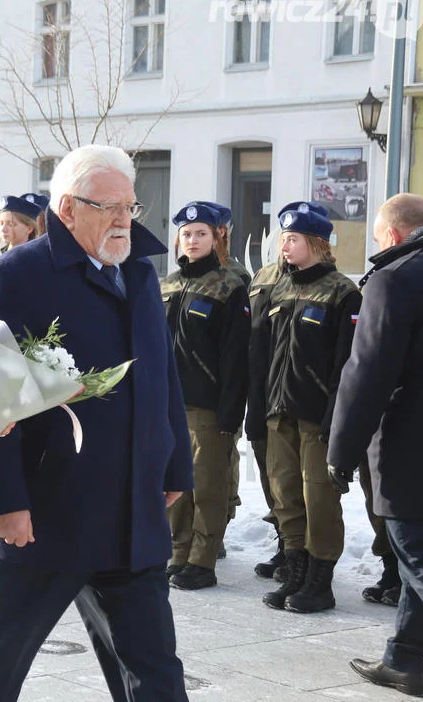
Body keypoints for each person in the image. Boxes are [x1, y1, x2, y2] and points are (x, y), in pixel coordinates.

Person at [0, 145, 192, 702]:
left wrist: (175, 462)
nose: (121, 219)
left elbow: (163, 376)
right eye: (106, 206)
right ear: (66, 209)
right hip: (46, 511)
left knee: (153, 669)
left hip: (132, 511)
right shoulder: (16, 276)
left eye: (129, 206)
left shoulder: (137, 271)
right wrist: (2, 501)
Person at [327, 193, 423, 696]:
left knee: (417, 556)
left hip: (412, 449)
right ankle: (406, 661)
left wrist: (341, 450)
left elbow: (367, 373)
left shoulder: (397, 277)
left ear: (390, 234)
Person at [249, 202, 359, 614]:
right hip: (279, 410)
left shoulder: (342, 292)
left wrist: (336, 418)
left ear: (316, 243)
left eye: (293, 239)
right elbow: (263, 353)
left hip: (316, 414)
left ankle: (320, 581)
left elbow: (346, 364)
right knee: (286, 494)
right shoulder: (279, 289)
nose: (285, 246)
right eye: (283, 239)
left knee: (319, 499)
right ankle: (295, 570)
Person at [160, 202, 249, 590]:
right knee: (174, 481)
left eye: (200, 233)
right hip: (168, 403)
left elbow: (236, 357)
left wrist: (231, 414)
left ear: (217, 237)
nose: (192, 240)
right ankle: (179, 552)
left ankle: (203, 559)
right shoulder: (167, 284)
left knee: (207, 486)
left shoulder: (229, 286)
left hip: (208, 405)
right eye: (186, 234)